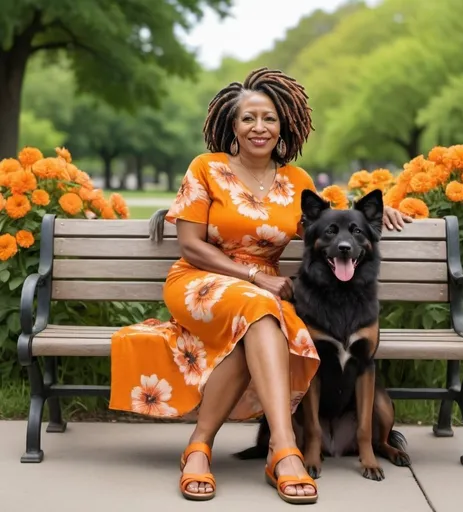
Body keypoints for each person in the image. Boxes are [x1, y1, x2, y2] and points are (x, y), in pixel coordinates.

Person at [109, 67, 410, 505]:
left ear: (283, 125)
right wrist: (254, 276)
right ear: (232, 126)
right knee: (260, 308)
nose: (259, 127)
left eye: (268, 118)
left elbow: (339, 220)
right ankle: (285, 452)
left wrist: (393, 209)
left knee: (262, 320)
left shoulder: (298, 182)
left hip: (264, 296)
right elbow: (191, 245)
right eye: (248, 118)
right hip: (202, 281)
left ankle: (200, 448)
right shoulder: (207, 168)